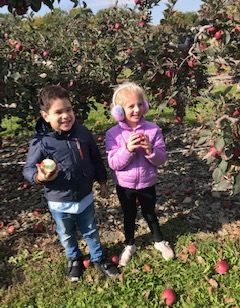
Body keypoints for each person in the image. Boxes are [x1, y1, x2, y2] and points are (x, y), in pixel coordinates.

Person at [23, 84, 119, 281]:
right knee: (66, 234)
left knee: (90, 229)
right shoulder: (41, 142)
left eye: (68, 109)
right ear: (46, 116)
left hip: (84, 196)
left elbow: (95, 159)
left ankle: (98, 257)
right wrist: (39, 177)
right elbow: (28, 169)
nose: (66, 115)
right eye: (58, 112)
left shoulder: (83, 133)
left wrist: (102, 182)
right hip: (59, 200)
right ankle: (74, 258)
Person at [105, 82, 174, 267]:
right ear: (119, 111)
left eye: (140, 104)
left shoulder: (153, 130)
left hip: (147, 182)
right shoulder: (113, 134)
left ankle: (159, 241)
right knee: (129, 214)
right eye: (131, 106)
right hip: (125, 185)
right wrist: (127, 149)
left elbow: (161, 159)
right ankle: (129, 244)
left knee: (150, 213)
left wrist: (150, 150)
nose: (137, 109)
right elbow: (113, 163)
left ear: (146, 104)